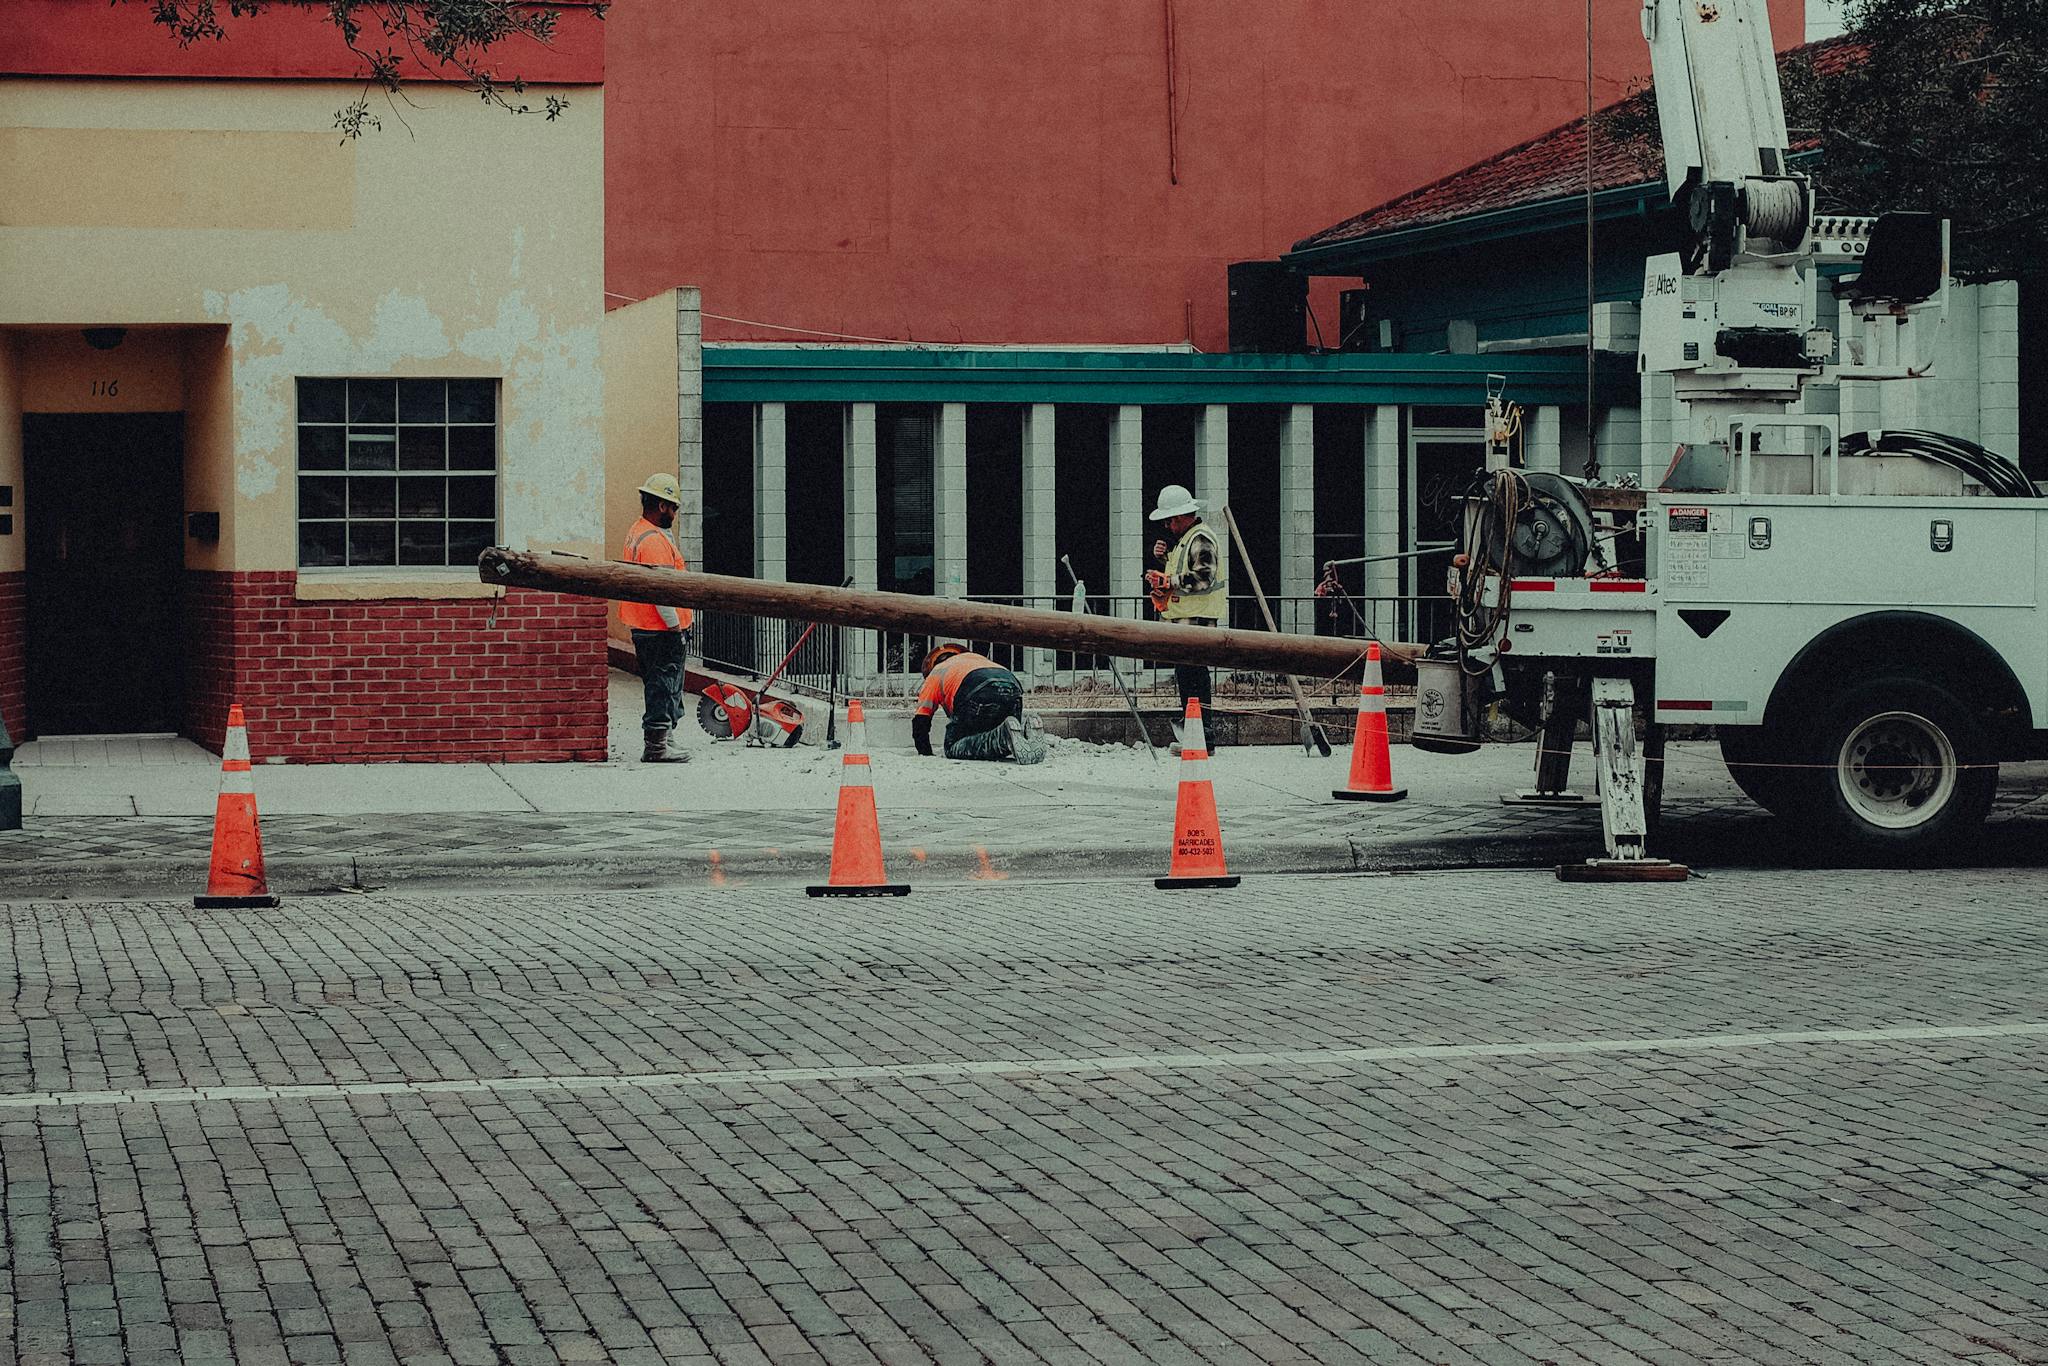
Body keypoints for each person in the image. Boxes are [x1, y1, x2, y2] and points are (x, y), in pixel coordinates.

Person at [1146, 483, 1227, 747]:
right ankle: (1196, 733)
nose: (1167, 526)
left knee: (1194, 677)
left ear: (1180, 517)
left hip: (1198, 618)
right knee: (1188, 675)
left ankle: (1202, 734)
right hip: (1188, 618)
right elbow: (1187, 573)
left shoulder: (1201, 538)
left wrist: (1168, 581)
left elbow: (1203, 578)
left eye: (1169, 521)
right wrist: (1164, 561)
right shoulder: (1187, 540)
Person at [622, 472, 694, 763]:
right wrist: (676, 628)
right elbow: (661, 592)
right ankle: (656, 746)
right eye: (674, 507)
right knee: (662, 687)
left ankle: (665, 739)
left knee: (663, 687)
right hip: (659, 628)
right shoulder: (652, 541)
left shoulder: (640, 531)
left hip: (647, 627)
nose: (675, 513)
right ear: (662, 506)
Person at [912, 644, 1048, 764]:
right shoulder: (975, 658)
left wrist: (925, 753)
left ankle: (1004, 737)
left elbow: (921, 720)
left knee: (953, 748)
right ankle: (1027, 734)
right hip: (1012, 687)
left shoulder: (936, 672)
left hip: (975, 690)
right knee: (1002, 733)